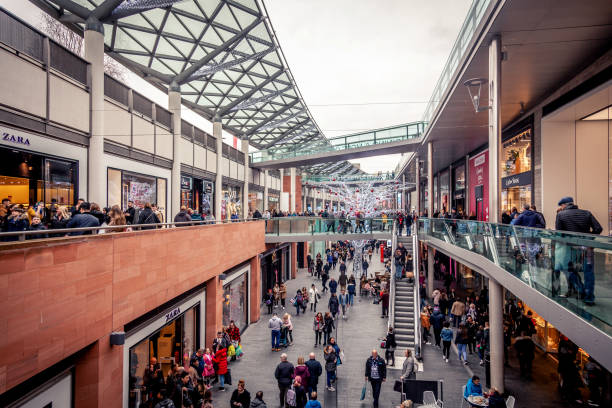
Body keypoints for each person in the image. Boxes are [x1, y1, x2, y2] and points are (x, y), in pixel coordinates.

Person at [554, 197, 602, 305]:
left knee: (567, 269)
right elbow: (598, 228)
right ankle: (589, 298)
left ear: (564, 205)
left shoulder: (561, 215)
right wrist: (589, 239)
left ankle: (581, 290)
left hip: (570, 249)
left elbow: (559, 234)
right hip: (587, 248)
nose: (561, 208)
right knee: (589, 272)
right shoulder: (587, 213)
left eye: (561, 206)